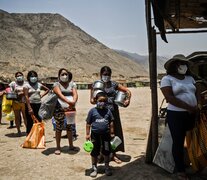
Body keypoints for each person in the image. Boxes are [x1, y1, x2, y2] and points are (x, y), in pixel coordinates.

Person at [160, 54, 198, 180]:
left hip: (192, 113)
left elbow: (196, 93)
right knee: (178, 142)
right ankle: (181, 170)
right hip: (176, 115)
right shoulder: (167, 79)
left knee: (192, 140)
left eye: (184, 63)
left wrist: (196, 106)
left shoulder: (190, 78)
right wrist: (189, 107)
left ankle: (192, 163)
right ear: (174, 65)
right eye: (180, 63)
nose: (183, 66)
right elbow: (170, 98)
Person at [90, 66, 131, 164]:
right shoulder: (96, 85)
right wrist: (94, 99)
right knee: (101, 132)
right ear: (101, 74)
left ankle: (114, 154)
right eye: (104, 74)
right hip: (100, 113)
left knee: (114, 133)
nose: (106, 76)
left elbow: (127, 91)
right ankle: (101, 154)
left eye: (108, 74)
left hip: (113, 112)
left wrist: (127, 100)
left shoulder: (114, 84)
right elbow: (91, 100)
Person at [86, 91, 114, 177]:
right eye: (100, 100)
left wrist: (112, 132)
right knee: (94, 151)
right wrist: (87, 134)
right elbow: (88, 123)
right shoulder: (92, 111)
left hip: (106, 135)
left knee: (106, 151)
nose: (102, 103)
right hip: (95, 135)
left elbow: (111, 122)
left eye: (104, 101)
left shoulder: (108, 111)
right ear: (96, 100)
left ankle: (107, 167)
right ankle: (94, 168)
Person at [52, 68, 78, 155]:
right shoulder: (56, 84)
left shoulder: (72, 84)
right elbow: (59, 94)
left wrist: (73, 102)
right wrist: (69, 102)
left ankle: (71, 145)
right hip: (59, 108)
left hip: (70, 108)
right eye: (62, 74)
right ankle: (58, 147)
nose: (64, 76)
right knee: (58, 128)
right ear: (59, 76)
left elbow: (75, 94)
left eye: (66, 74)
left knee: (70, 127)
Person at [9, 72, 27, 136]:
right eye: (18, 76)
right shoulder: (13, 83)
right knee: (17, 117)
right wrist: (16, 93)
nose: (19, 77)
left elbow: (28, 91)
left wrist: (22, 93)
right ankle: (18, 131)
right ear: (16, 77)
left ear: (23, 76)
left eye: (20, 75)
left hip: (24, 102)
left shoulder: (26, 83)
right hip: (15, 102)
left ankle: (27, 130)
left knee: (25, 117)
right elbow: (10, 91)